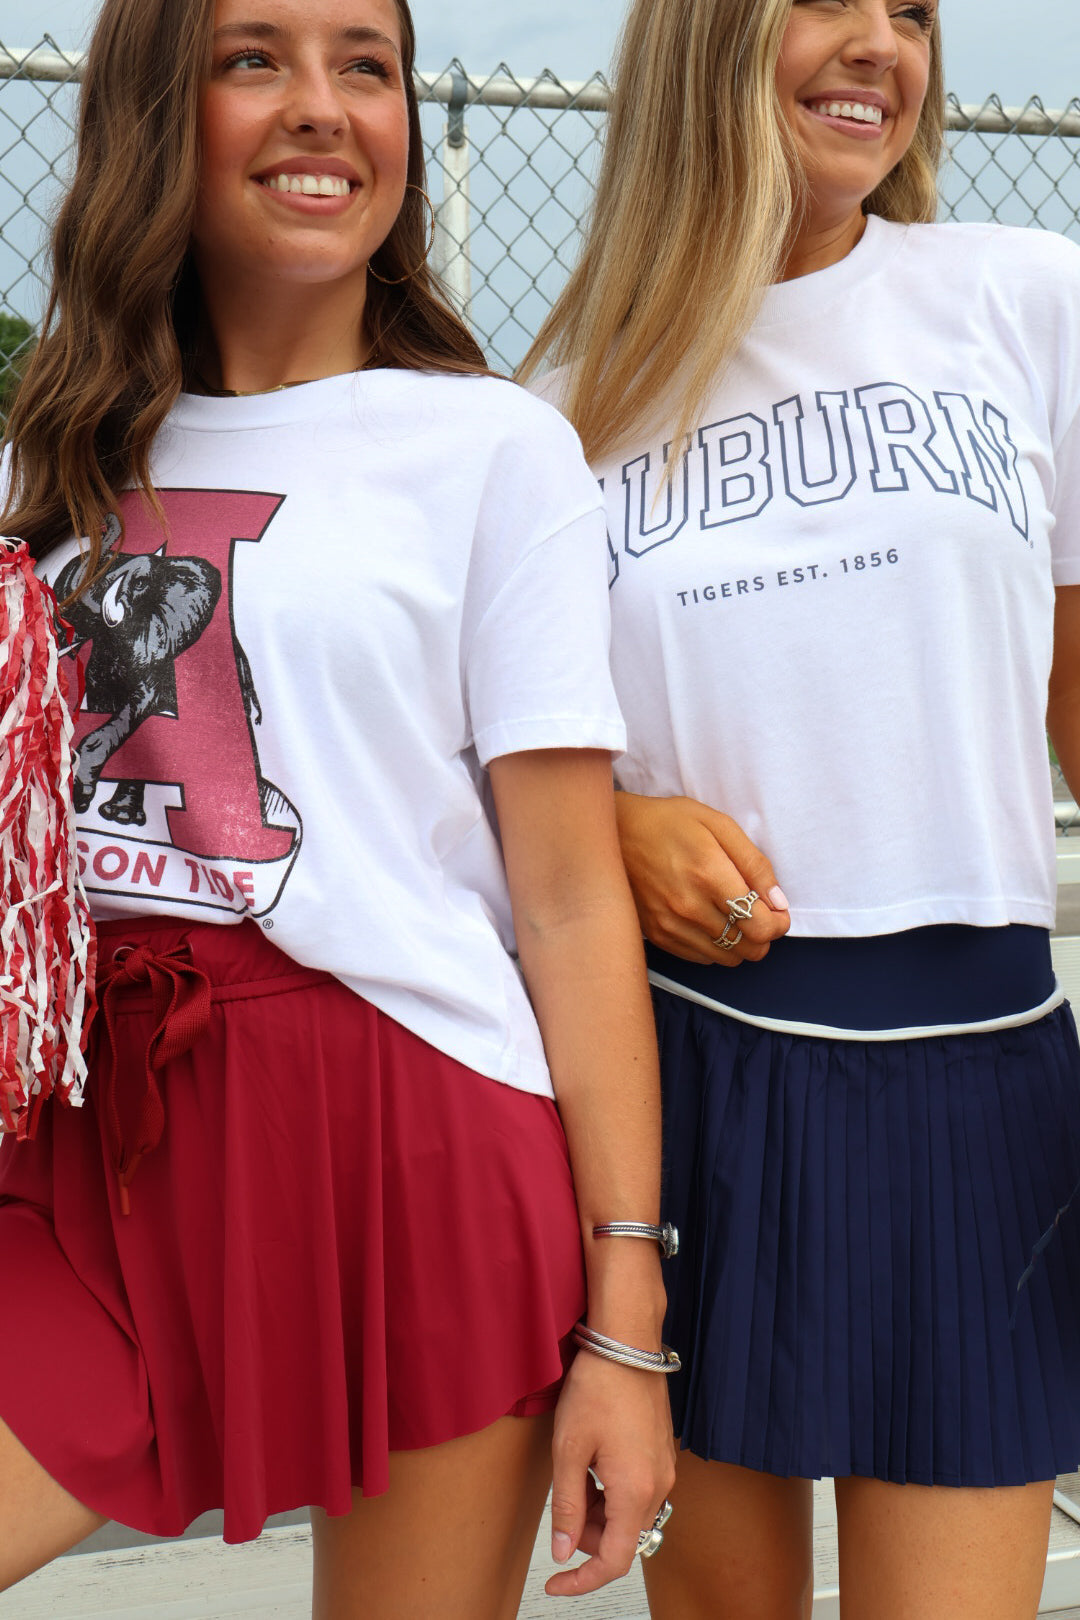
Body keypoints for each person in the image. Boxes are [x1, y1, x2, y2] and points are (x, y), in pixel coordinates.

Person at [0, 0, 677, 1613]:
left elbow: (568, 901)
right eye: (255, 59)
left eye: (364, 66)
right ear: (158, 111)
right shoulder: (64, 450)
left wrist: (626, 1319)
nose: (322, 107)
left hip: (408, 1137)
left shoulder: (494, 449)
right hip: (112, 1123)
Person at [522, 0, 1080, 1615]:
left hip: (983, 1073)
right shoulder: (554, 405)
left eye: (912, 13)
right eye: (830, 2)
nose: (881, 46)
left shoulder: (1024, 299)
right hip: (694, 1077)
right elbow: (513, 787)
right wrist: (622, 831)